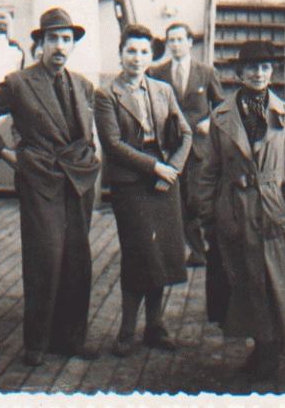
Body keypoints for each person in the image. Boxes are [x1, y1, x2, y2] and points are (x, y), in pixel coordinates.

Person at [0, 8, 101, 366]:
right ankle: (37, 344)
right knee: (45, 258)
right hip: (41, 180)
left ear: (72, 45)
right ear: (41, 43)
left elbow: (86, 129)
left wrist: (90, 155)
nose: (60, 46)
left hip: (78, 180)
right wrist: (6, 154)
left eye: (66, 39)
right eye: (53, 39)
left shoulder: (82, 85)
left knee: (77, 259)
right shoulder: (20, 83)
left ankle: (71, 339)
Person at [196, 40, 285, 382]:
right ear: (239, 72)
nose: (258, 73)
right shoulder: (221, 117)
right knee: (247, 283)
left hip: (274, 210)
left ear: (272, 72)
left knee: (277, 281)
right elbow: (209, 170)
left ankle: (269, 351)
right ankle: (261, 348)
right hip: (235, 211)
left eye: (264, 67)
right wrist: (208, 213)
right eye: (251, 67)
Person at [95, 24, 193, 358]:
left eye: (144, 52)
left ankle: (155, 326)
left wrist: (172, 170)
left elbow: (186, 134)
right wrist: (154, 167)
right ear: (120, 54)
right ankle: (126, 330)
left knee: (161, 253)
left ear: (152, 56)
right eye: (131, 51)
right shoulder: (106, 94)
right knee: (139, 254)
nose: (137, 59)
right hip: (131, 181)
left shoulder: (163, 89)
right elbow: (112, 144)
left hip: (164, 180)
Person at [148, 23, 224, 267]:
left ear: (190, 42)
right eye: (171, 40)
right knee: (176, 199)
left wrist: (209, 121)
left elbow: (222, 107)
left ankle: (210, 247)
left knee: (198, 199)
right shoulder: (157, 72)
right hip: (171, 146)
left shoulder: (206, 72)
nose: (175, 45)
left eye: (180, 39)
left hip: (200, 147)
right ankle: (195, 251)